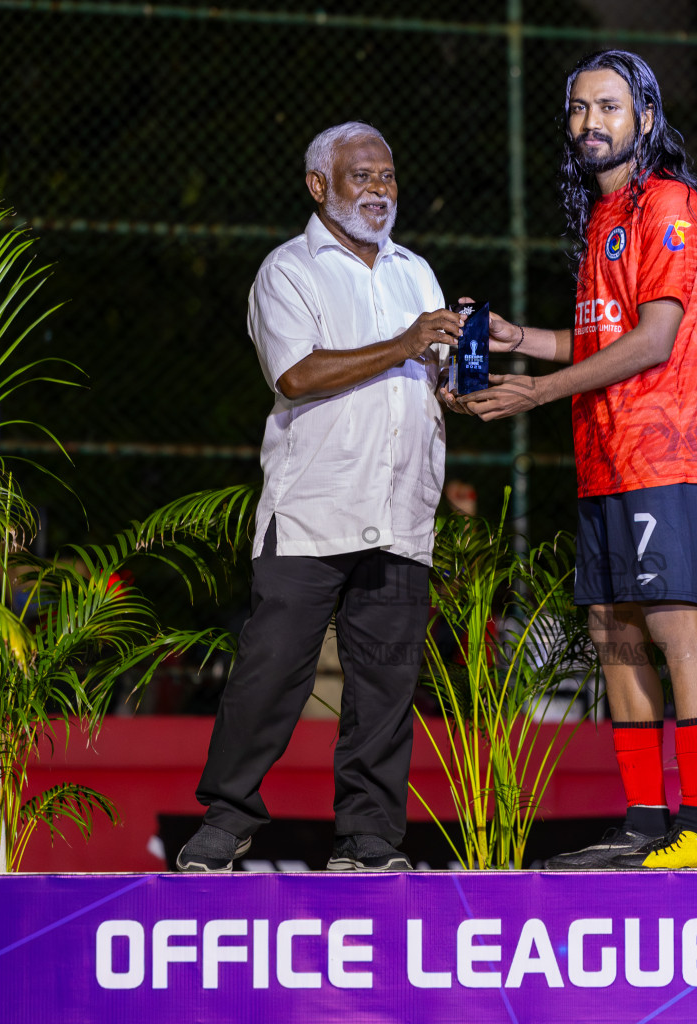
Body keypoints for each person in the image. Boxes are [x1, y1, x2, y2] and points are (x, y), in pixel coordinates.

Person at [451, 51, 697, 869]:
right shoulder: (602, 222)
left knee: (676, 622)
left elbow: (653, 339)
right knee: (614, 631)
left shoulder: (668, 204)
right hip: (604, 452)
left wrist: (535, 392)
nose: (589, 123)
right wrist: (518, 341)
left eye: (608, 106)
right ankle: (646, 822)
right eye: (577, 109)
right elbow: (600, 337)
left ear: (644, 115)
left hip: (668, 445)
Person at [177, 121, 465, 872]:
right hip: (313, 510)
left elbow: (430, 376)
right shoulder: (288, 271)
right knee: (272, 673)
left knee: (385, 682)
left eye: (388, 176)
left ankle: (369, 839)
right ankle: (227, 817)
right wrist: (406, 345)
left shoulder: (416, 272)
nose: (379, 189)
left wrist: (458, 386)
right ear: (319, 186)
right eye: (361, 176)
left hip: (401, 511)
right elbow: (295, 376)